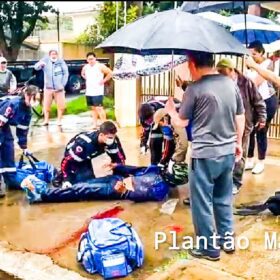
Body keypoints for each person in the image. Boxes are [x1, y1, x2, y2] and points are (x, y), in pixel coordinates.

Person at [165, 52, 245, 261]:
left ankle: (208, 248)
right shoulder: (230, 84)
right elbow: (240, 115)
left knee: (202, 202)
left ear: (192, 64)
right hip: (227, 152)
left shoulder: (195, 88)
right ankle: (227, 241)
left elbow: (181, 123)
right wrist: (238, 143)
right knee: (223, 198)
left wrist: (171, 111)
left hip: (204, 156)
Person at [216, 58, 267, 195]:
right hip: (225, 124)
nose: (220, 74)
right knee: (223, 153)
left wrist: (262, 118)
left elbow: (259, 102)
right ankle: (223, 180)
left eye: (222, 71)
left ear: (231, 70)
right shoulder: (220, 84)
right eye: (218, 72)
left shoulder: (246, 83)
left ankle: (235, 182)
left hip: (243, 125)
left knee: (240, 154)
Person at [57, 121, 126, 189]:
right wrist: (67, 179)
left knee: (90, 182)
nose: (112, 140)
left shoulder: (113, 140)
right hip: (75, 156)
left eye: (113, 137)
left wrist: (120, 175)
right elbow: (67, 161)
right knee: (80, 184)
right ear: (101, 135)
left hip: (88, 156)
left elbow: (119, 158)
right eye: (110, 138)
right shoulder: (84, 144)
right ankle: (60, 176)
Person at [246, 41, 279, 174]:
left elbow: (255, 82)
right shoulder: (250, 65)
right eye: (250, 54)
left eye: (254, 53)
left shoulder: (267, 64)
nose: (252, 56)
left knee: (261, 130)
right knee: (250, 131)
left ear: (261, 52)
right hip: (254, 102)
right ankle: (249, 159)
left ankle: (261, 161)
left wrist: (252, 66)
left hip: (267, 101)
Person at [0, 85, 39, 197]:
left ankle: (11, 181)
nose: (35, 102)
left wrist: (24, 147)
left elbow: (22, 130)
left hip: (4, 125)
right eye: (34, 98)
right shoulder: (14, 105)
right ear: (27, 95)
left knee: (8, 148)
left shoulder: (28, 112)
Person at [138, 98, 189, 169]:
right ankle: (155, 165)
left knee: (172, 143)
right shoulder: (143, 117)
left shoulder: (166, 115)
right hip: (162, 117)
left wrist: (166, 161)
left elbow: (174, 142)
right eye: (147, 121)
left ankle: (167, 164)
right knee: (154, 140)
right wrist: (143, 144)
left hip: (173, 113)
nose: (149, 122)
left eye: (151, 119)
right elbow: (146, 130)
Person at [34, 49, 69, 126]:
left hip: (59, 89)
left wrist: (62, 84)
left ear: (57, 55)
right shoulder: (45, 61)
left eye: (55, 54)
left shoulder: (61, 62)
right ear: (49, 55)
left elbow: (65, 73)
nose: (53, 55)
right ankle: (46, 120)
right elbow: (36, 67)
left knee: (61, 105)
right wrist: (41, 65)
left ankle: (59, 120)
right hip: (48, 88)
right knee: (46, 105)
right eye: (52, 54)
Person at [81, 52, 113, 130]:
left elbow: (110, 73)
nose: (91, 60)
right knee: (93, 108)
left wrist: (103, 80)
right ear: (87, 60)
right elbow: (82, 74)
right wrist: (87, 79)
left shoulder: (100, 66)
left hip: (98, 91)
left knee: (99, 108)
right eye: (89, 59)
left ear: (95, 58)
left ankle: (105, 125)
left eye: (92, 59)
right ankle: (94, 124)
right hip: (89, 91)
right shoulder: (86, 67)